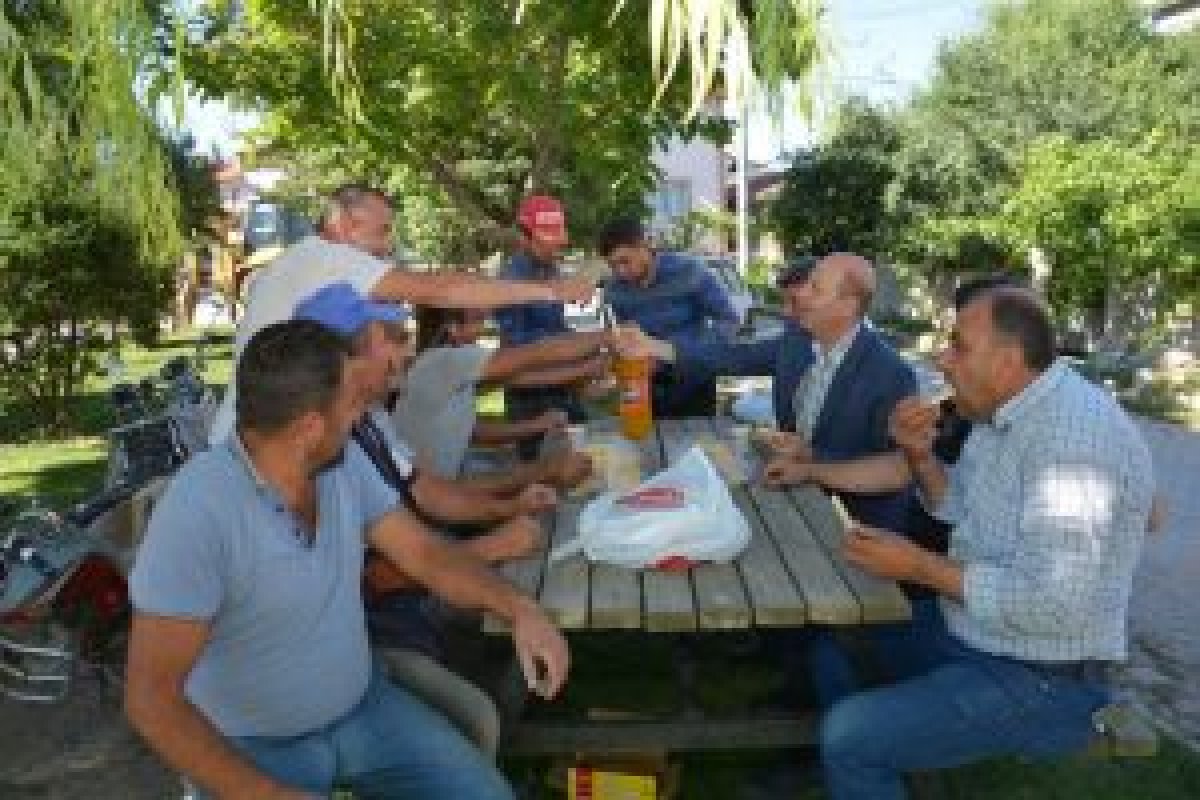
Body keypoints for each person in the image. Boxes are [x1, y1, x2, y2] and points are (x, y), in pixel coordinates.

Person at [125, 320, 569, 799]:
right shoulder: (199, 511)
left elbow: (424, 554)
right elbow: (152, 699)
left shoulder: (340, 464)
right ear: (309, 429)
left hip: (362, 712)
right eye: (353, 403)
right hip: (252, 749)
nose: (362, 415)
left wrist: (519, 608)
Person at [821, 288, 1154, 799]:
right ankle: (875, 770)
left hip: (1045, 677)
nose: (942, 359)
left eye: (958, 345)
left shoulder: (1072, 443)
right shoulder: (1001, 412)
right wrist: (919, 457)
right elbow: (959, 508)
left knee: (849, 736)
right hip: (970, 631)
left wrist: (918, 566)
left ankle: (865, 764)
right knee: (833, 649)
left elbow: (1053, 604)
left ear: (1007, 362)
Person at [209, 184, 595, 443]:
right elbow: (440, 289)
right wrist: (553, 291)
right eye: (382, 231)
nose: (386, 247)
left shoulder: (301, 264)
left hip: (267, 433)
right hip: (260, 445)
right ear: (344, 225)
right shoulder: (327, 258)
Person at [395, 304, 620, 479]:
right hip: (432, 492)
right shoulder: (446, 360)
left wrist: (588, 368)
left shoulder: (442, 364)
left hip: (446, 476)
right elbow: (538, 353)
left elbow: (523, 380)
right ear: (452, 328)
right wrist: (608, 336)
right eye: (477, 320)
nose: (484, 327)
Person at [597, 216, 739, 417]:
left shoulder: (689, 271)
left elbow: (729, 321)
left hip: (694, 381)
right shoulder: (613, 290)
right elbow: (612, 339)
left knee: (698, 438)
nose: (620, 271)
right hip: (641, 386)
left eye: (624, 261)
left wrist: (673, 352)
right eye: (613, 265)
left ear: (644, 245)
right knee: (641, 437)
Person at [493, 195, 587, 457]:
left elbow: (555, 324)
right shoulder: (512, 278)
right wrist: (573, 347)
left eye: (559, 238)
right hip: (530, 395)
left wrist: (583, 347)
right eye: (548, 240)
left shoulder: (550, 268)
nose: (557, 246)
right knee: (539, 467)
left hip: (562, 386)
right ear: (524, 238)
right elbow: (517, 344)